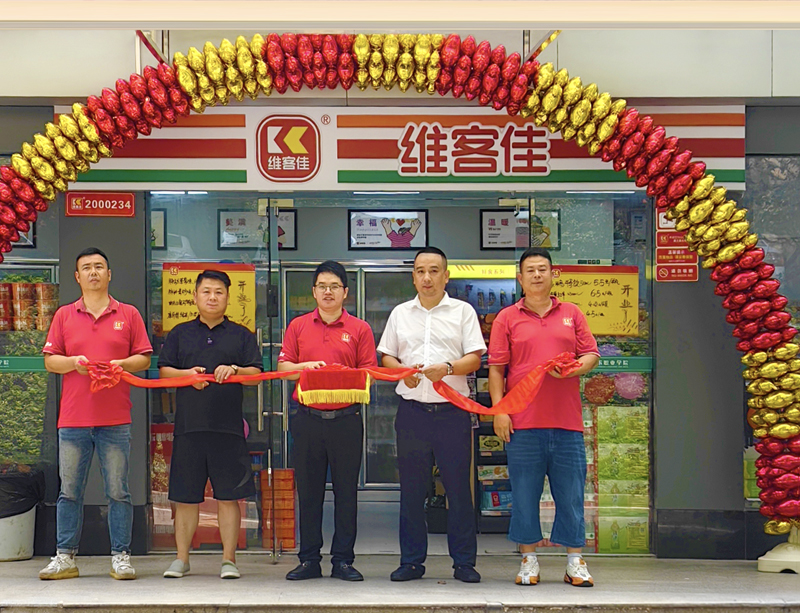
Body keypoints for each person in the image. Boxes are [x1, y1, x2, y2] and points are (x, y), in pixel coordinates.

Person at [488, 247, 600, 587]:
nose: (537, 275)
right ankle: (528, 560)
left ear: (553, 275)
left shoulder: (572, 313)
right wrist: (500, 410)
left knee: (571, 495)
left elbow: (591, 354)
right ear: (520, 278)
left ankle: (574, 561)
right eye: (530, 270)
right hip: (523, 422)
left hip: (567, 422)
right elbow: (497, 369)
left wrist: (574, 369)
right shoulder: (507, 318)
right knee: (524, 495)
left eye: (542, 269)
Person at [39, 247, 153, 581]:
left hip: (115, 419)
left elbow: (144, 358)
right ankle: (65, 556)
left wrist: (122, 364)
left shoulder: (128, 314)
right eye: (86, 267)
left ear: (109, 274)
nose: (93, 272)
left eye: (99, 266)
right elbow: (50, 361)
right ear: (77, 277)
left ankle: (121, 556)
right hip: (73, 420)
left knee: (118, 491)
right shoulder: (64, 315)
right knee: (69, 491)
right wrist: (73, 362)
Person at [378, 247, 486, 583]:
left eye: (434, 270)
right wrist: (401, 372)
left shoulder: (462, 312)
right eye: (421, 271)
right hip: (412, 414)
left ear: (446, 275)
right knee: (412, 490)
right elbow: (386, 357)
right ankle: (411, 561)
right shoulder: (400, 313)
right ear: (413, 276)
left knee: (458, 489)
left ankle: (464, 562)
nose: (427, 278)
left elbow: (475, 358)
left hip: (453, 413)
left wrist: (448, 368)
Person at [157, 270, 262, 580]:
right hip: (189, 428)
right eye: (206, 291)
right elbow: (164, 373)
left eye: (219, 292)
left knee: (229, 497)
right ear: (195, 296)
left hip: (228, 429)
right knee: (185, 497)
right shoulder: (180, 333)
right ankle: (181, 559)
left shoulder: (242, 335)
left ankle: (229, 560)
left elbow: (256, 374)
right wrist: (188, 376)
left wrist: (235, 370)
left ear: (228, 297)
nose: (212, 297)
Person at [278, 260, 377, 582]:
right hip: (307, 419)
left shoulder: (360, 329)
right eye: (322, 286)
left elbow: (370, 373)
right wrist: (305, 367)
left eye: (334, 286)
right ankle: (309, 559)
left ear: (345, 292)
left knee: (347, 493)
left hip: (346, 420)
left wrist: (341, 375)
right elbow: (283, 370)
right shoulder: (298, 326)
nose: (328, 292)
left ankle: (343, 560)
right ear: (314, 292)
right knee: (308, 493)